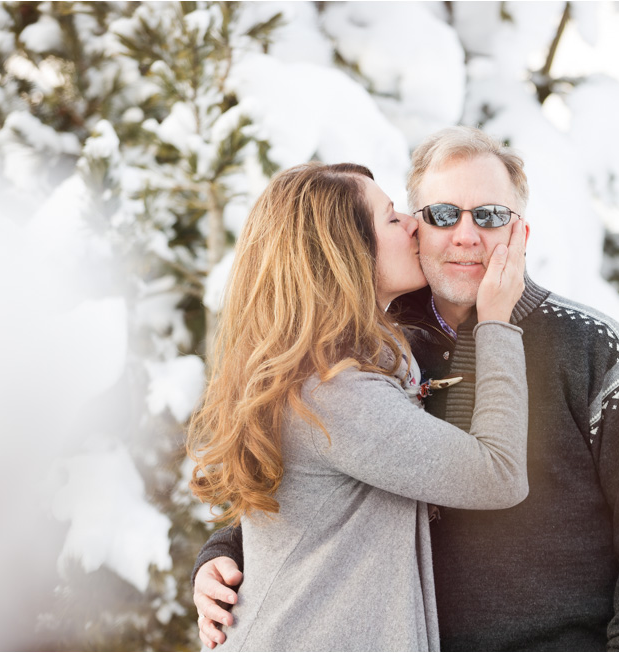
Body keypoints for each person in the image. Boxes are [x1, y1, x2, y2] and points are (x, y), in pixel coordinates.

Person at [193, 128, 619, 651]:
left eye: (490, 215)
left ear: (521, 234)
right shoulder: (365, 357)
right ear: (416, 230)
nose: (465, 235)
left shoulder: (593, 347)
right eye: (441, 214)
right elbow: (306, 481)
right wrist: (224, 552)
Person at [187, 161, 530, 651]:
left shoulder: (319, 374)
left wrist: (219, 553)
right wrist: (496, 321)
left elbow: (304, 512)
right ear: (348, 254)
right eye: (392, 218)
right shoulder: (336, 393)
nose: (413, 223)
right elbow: (498, 474)